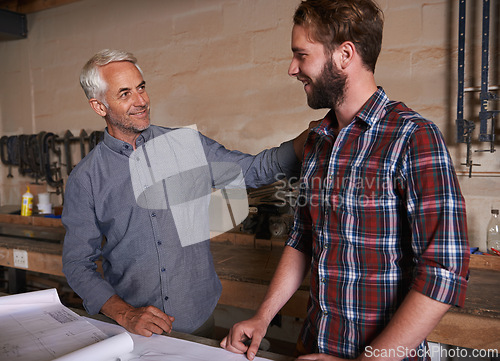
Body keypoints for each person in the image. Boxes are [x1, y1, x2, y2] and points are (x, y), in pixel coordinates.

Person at [221, 1, 469, 360]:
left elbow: (443, 272)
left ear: (344, 54)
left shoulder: (413, 137)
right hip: (314, 347)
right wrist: (263, 317)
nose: (293, 69)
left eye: (301, 55)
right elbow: (303, 237)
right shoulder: (317, 140)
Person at [62, 49, 311, 338]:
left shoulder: (185, 145)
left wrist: (302, 142)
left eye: (141, 88)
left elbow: (251, 170)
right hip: (133, 332)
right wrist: (125, 313)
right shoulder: (86, 179)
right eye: (125, 94)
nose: (141, 101)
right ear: (99, 106)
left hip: (197, 319)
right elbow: (77, 264)